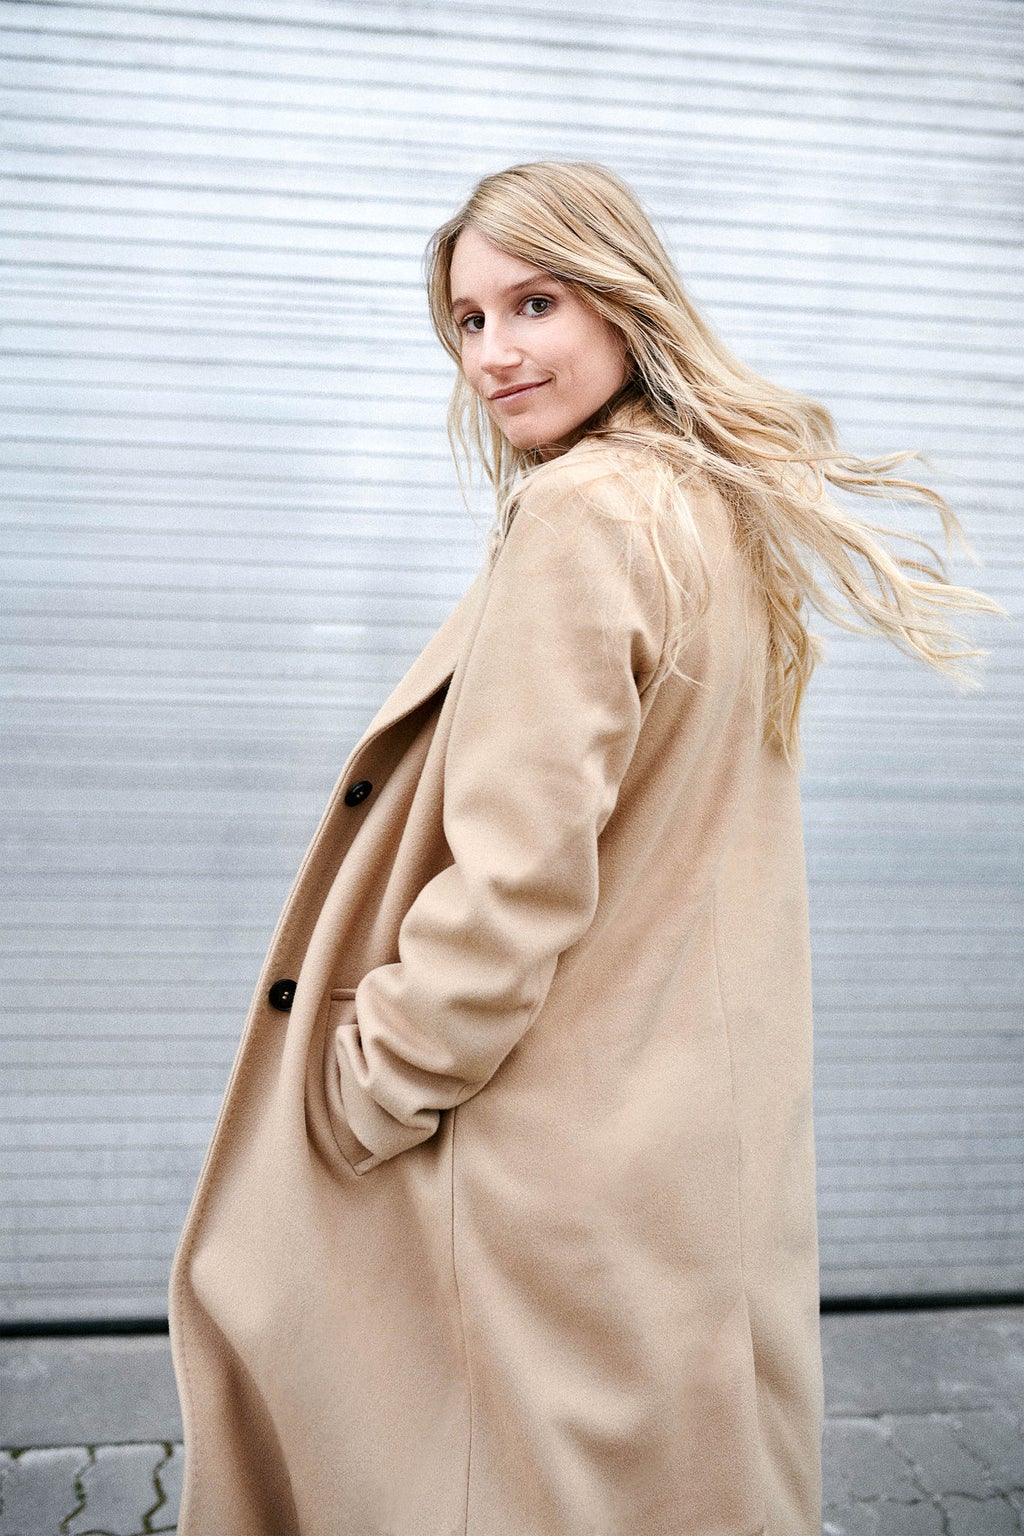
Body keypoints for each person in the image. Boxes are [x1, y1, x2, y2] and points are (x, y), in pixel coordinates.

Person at [168, 161, 1003, 1536]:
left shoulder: (586, 515)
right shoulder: (712, 510)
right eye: (469, 322)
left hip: (545, 1164)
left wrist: (373, 1079)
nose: (495, 354)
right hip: (676, 1157)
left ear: (622, 299)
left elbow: (514, 880)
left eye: (534, 302)